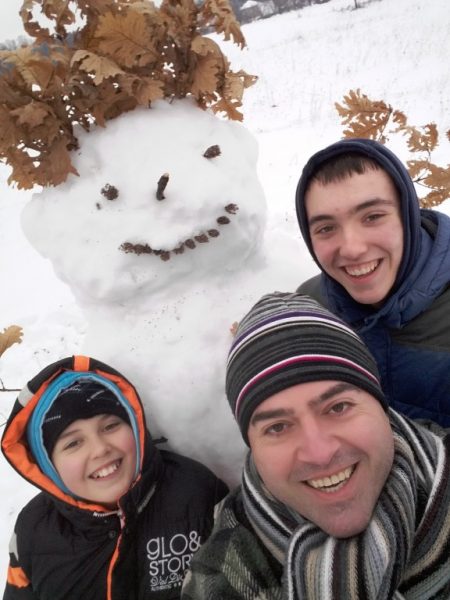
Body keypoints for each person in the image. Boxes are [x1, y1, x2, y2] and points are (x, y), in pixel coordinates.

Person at [181, 292, 450, 599]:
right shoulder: (225, 570)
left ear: (380, 406)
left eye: (338, 407)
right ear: (252, 446)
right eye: (277, 427)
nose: (320, 454)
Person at [1, 355, 228, 600]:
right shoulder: (33, 529)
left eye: (110, 426)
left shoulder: (196, 491)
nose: (100, 449)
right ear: (48, 466)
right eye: (73, 443)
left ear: (135, 426)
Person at [295, 138, 450, 427]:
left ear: (407, 216)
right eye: (326, 228)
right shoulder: (310, 306)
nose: (352, 249)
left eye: (373, 217)